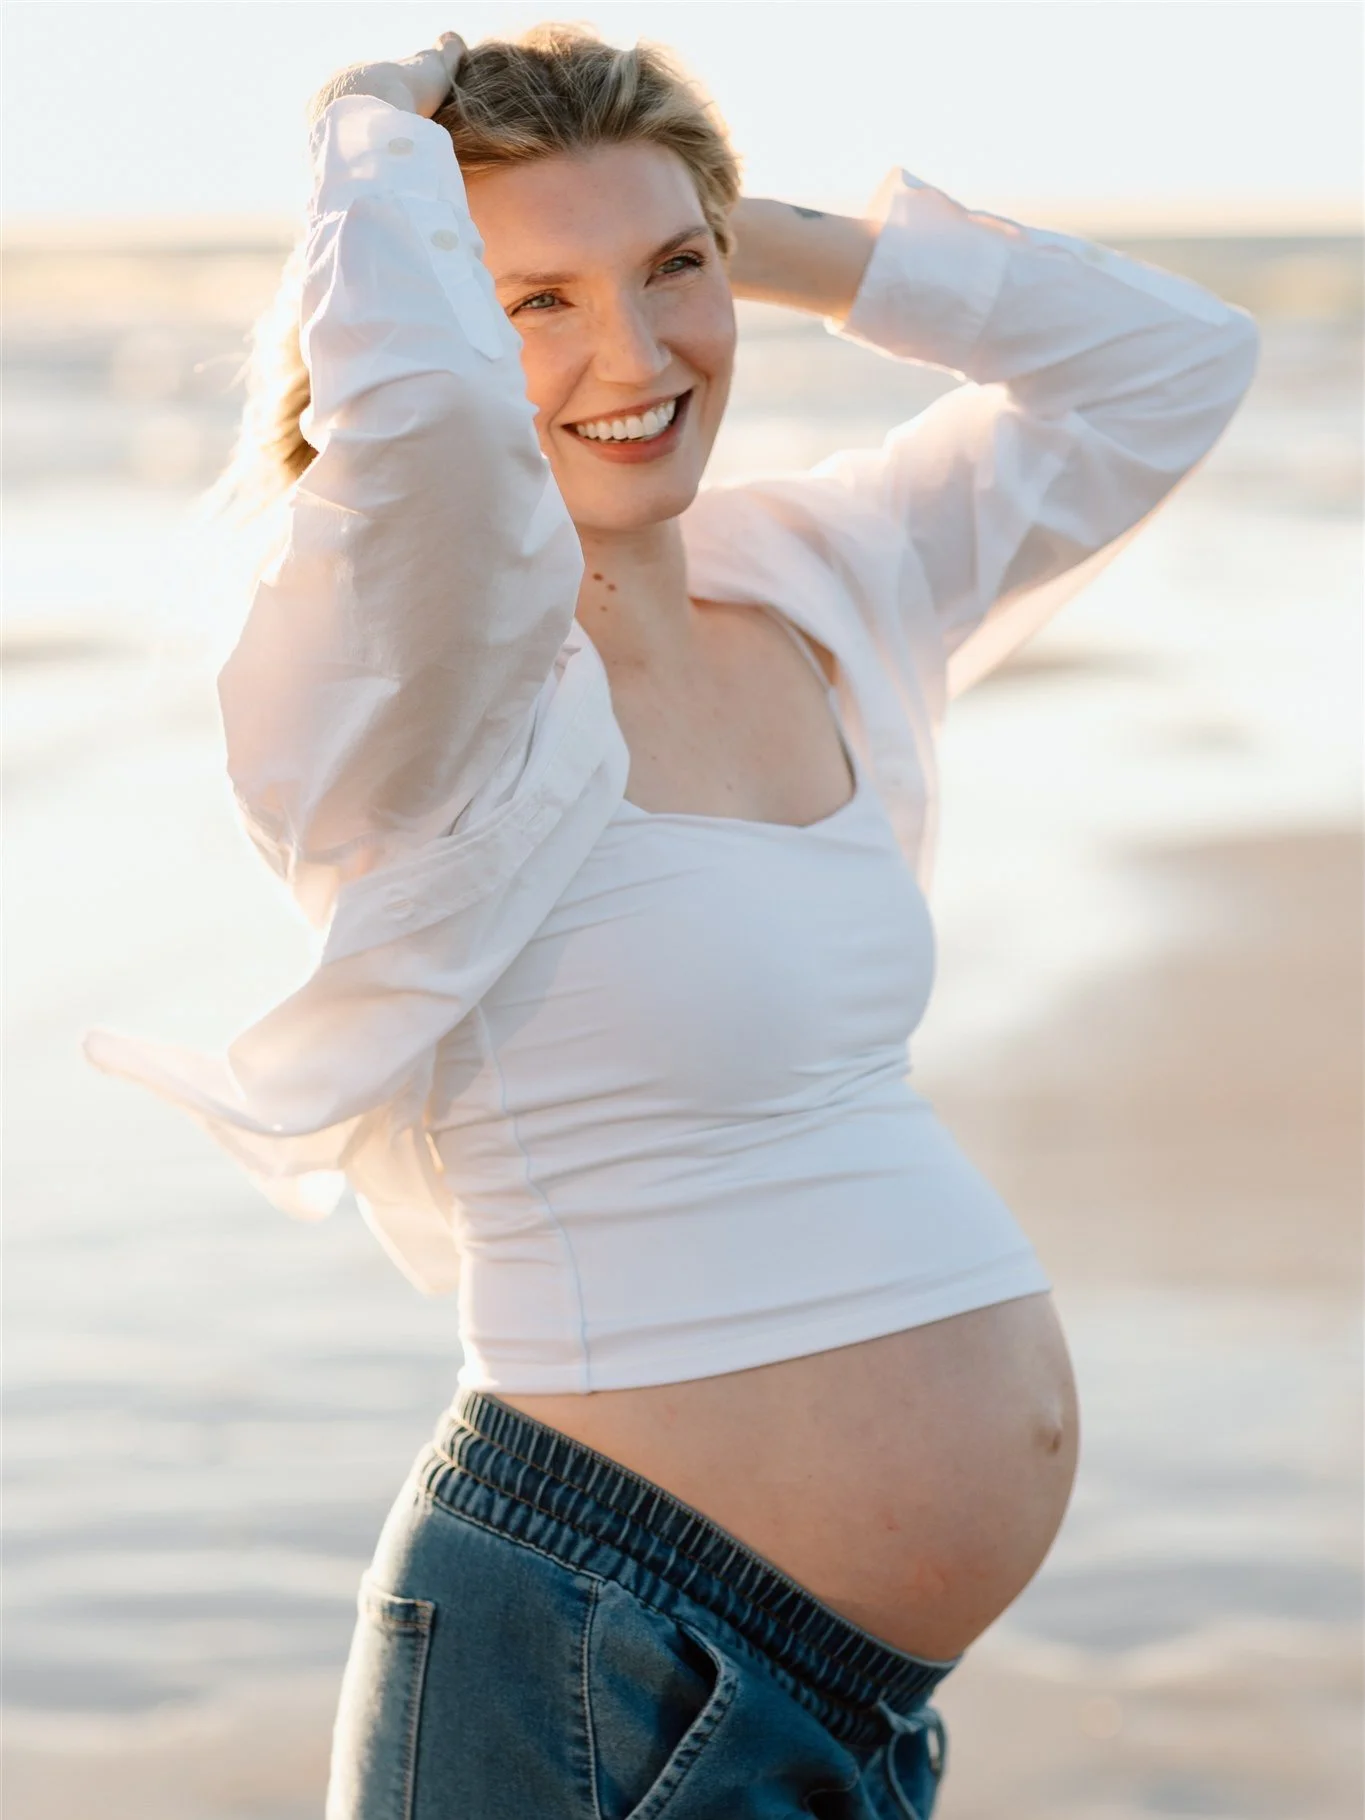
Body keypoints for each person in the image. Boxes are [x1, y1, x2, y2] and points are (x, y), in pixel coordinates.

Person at [81, 22, 1260, 1818]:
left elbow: (1169, 364)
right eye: (534, 303)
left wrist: (753, 237)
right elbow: (419, 424)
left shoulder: (820, 579)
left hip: (828, 1702)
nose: (632, 357)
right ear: (429, 313)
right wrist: (364, 134)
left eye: (670, 276)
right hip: (602, 1657)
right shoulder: (416, 691)